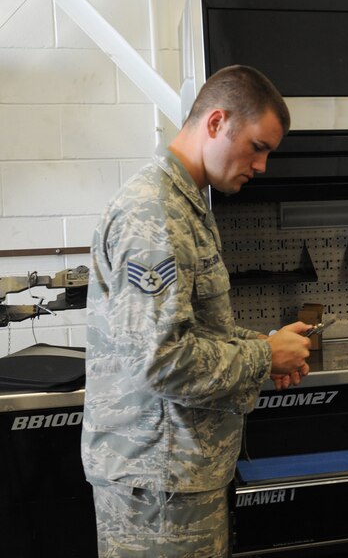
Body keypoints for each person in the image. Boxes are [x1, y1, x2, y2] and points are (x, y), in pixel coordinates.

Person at [81, 64, 313, 557]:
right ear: (216, 123)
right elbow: (160, 360)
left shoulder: (185, 205)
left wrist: (263, 343)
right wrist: (264, 358)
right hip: (157, 485)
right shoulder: (154, 216)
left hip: (178, 477)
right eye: (258, 146)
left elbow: (193, 330)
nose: (263, 165)